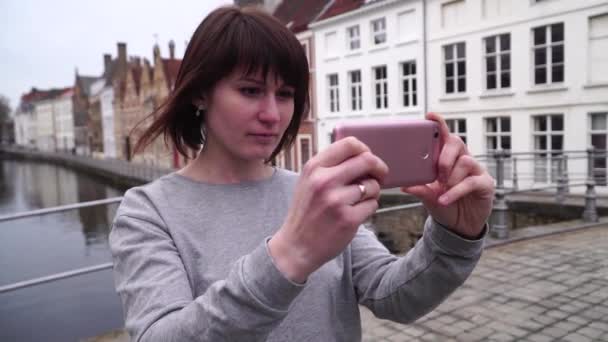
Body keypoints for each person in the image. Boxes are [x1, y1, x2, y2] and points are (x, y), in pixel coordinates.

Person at [109, 5, 495, 342]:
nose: (272, 115)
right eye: (249, 90)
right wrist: (288, 255)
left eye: (285, 94)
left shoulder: (312, 190)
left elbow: (391, 294)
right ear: (199, 93)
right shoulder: (148, 212)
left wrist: (455, 236)